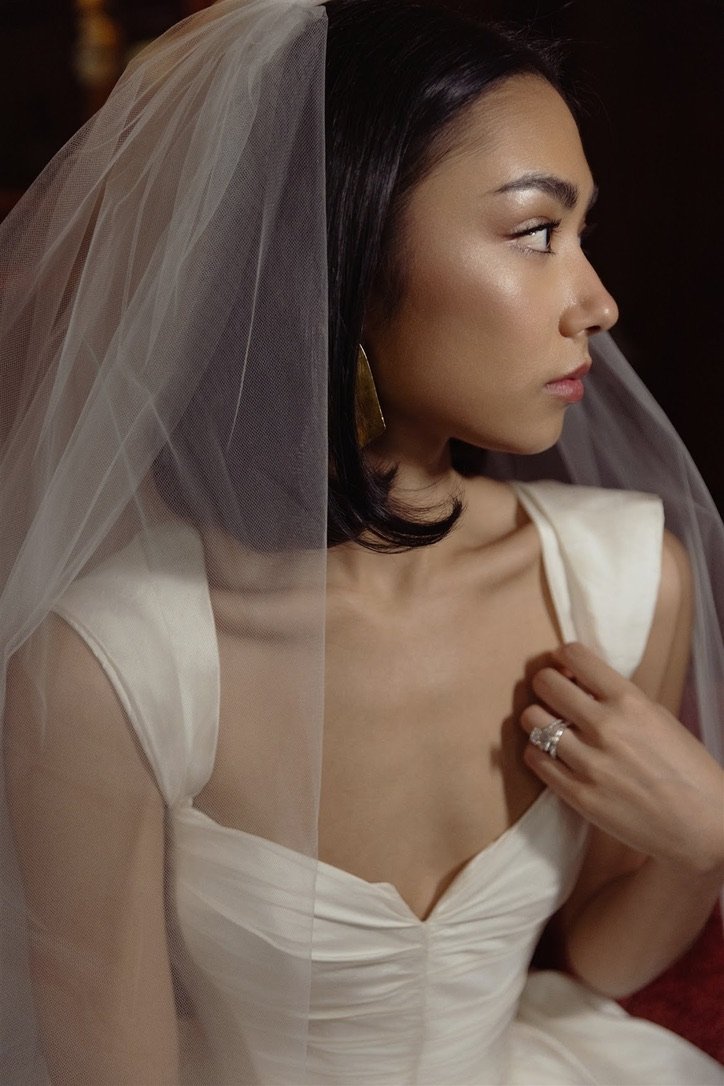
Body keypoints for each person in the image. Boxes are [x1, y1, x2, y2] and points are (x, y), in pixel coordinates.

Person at [1, 0, 723, 1082]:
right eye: (535, 232)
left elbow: (602, 964)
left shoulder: (619, 583)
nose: (598, 302)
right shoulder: (110, 662)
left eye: (582, 236)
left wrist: (710, 835)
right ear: (340, 248)